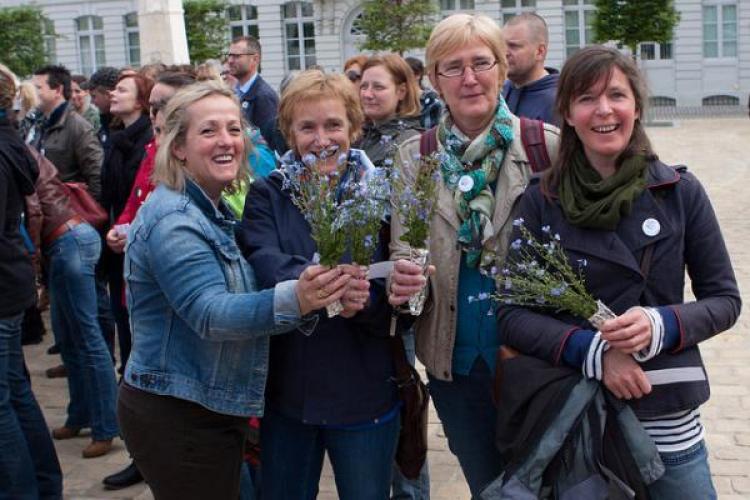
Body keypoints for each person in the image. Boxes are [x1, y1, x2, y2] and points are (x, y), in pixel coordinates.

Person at [496, 45, 741, 499]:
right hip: (578, 421)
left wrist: (659, 323)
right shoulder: (540, 201)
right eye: (586, 98)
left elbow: (725, 300)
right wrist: (596, 352)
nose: (603, 110)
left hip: (666, 415)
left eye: (616, 95)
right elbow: (511, 312)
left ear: (636, 106)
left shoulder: (678, 192)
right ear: (567, 113)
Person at [118, 80, 348, 500]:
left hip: (205, 407)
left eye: (233, 129)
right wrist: (297, 297)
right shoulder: (175, 219)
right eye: (208, 131)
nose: (226, 141)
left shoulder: (210, 205)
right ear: (178, 147)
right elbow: (211, 314)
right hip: (180, 415)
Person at [388, 13, 559, 497]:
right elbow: (407, 250)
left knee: (549, 481)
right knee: (487, 485)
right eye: (452, 67)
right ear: (435, 80)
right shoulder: (414, 157)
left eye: (481, 62)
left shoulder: (545, 148)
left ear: (503, 68)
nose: (469, 78)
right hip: (455, 361)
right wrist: (402, 284)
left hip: (536, 359)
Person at [237, 70, 401, 500]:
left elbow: (402, 290)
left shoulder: (382, 192)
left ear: (354, 128)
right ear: (288, 132)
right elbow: (261, 257)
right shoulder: (268, 193)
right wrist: (313, 282)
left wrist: (367, 299)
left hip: (362, 386)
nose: (321, 138)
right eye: (307, 127)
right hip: (290, 388)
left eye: (333, 125)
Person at [356, 53, 431, 500]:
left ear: (402, 90)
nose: (368, 94)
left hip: (393, 289)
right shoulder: (354, 137)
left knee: (404, 398)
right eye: (363, 86)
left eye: (378, 87)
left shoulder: (415, 143)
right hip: (357, 287)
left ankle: (410, 492)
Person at [0, 62, 63, 499]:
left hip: (3, 282)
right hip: (10, 278)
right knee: (16, 392)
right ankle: (43, 485)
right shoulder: (9, 143)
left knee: (4, 401)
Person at [100, 73, 154, 376]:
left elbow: (140, 196)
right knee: (121, 315)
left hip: (135, 242)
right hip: (118, 239)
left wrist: (126, 227)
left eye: (122, 89)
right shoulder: (116, 136)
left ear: (140, 100)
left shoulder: (145, 140)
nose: (113, 93)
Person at [29, 65, 103, 199]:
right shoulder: (39, 124)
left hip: (69, 212)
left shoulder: (78, 127)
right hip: (47, 208)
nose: (32, 93)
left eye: (38, 88)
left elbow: (96, 173)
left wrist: (90, 213)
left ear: (58, 90)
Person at [501, 13, 559, 126]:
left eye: (513, 46)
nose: (505, 53)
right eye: (502, 46)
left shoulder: (558, 102)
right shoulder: (499, 93)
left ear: (540, 52)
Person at [227, 35, 279, 130]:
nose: (230, 61)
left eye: (236, 56)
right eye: (229, 55)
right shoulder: (235, 91)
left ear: (255, 59)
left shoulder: (264, 97)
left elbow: (270, 141)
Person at [84, 66, 120, 145]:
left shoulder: (125, 127)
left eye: (94, 96)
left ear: (108, 94)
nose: (92, 102)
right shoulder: (105, 123)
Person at [405, 56, 443, 129]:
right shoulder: (396, 99)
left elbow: (433, 130)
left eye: (405, 74)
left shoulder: (430, 100)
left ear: (417, 75)